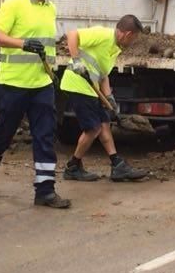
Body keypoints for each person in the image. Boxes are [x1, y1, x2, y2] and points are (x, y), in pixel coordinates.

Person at [0, 0, 70, 209]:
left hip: (42, 84)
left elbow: (47, 45)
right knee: (4, 134)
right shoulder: (15, 4)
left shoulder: (50, 9)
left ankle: (45, 191)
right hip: (13, 84)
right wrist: (23, 43)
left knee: (45, 136)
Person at [60, 15, 149, 182]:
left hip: (91, 88)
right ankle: (72, 167)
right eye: (134, 37)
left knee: (104, 123)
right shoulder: (103, 35)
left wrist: (109, 98)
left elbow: (103, 75)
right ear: (127, 34)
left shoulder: (114, 48)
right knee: (93, 129)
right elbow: (72, 35)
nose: (134, 41)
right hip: (77, 85)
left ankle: (117, 165)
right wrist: (76, 60)